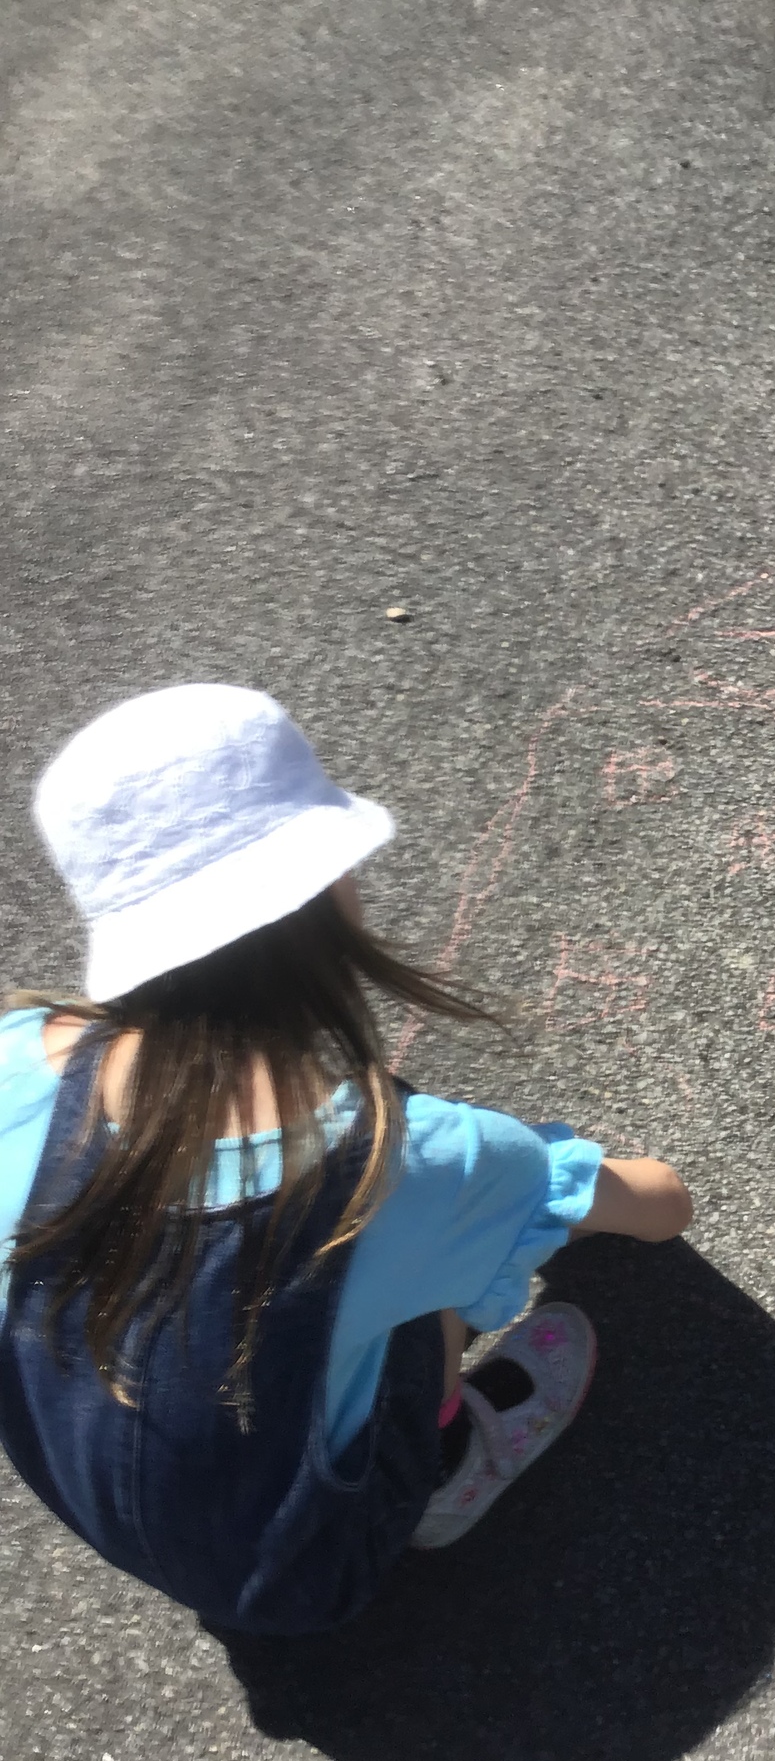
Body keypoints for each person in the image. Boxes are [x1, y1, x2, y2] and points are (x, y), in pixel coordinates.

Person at [0, 684, 692, 1636]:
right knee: (417, 1257)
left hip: (107, 1506)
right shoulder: (393, 1163)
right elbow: (660, 1204)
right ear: (328, 889)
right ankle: (443, 1469)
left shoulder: (16, 1054)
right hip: (302, 1569)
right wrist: (564, 1192)